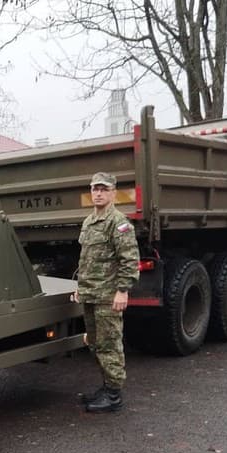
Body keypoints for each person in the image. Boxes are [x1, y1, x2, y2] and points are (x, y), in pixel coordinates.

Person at [72, 172, 139, 413]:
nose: (98, 193)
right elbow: (86, 259)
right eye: (94, 189)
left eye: (103, 189)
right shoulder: (89, 221)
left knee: (110, 344)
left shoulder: (118, 223)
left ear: (112, 193)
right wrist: (80, 288)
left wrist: (122, 290)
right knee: (95, 344)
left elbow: (129, 260)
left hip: (108, 296)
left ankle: (114, 396)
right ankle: (106, 386)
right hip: (91, 294)